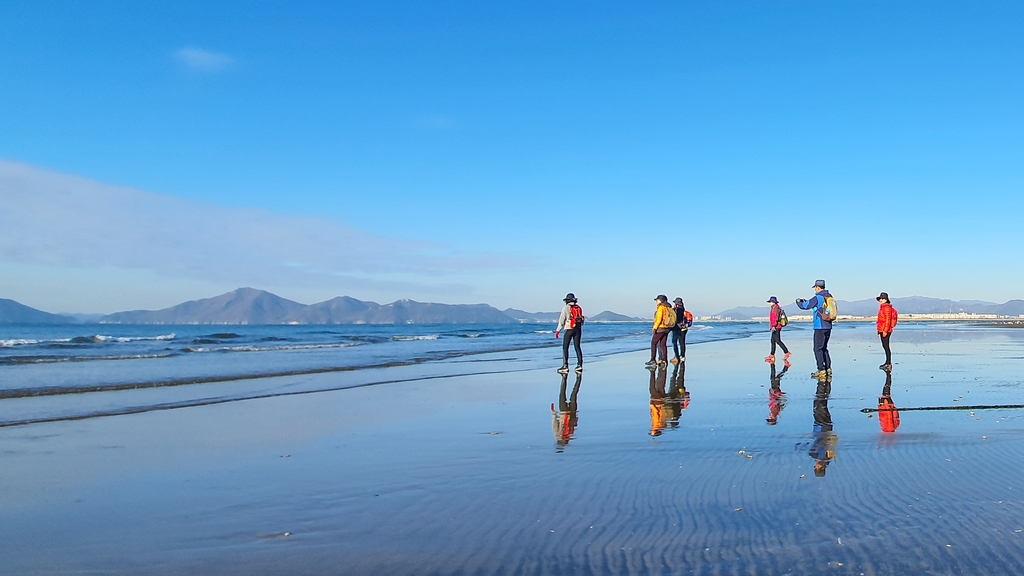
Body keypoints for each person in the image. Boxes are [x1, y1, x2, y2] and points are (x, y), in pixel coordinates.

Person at [796, 280, 835, 379]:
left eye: (815, 287)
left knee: (817, 348)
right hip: (828, 325)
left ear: (817, 287)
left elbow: (806, 306)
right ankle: (828, 368)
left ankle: (821, 370)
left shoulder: (818, 297)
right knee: (824, 348)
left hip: (820, 326)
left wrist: (799, 302)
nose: (814, 289)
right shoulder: (829, 297)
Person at [551, 371, 582, 451]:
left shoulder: (565, 435)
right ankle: (566, 378)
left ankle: (576, 378)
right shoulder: (565, 435)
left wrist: (554, 413)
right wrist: (553, 413)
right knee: (563, 393)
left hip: (568, 413)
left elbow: (555, 424)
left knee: (573, 395)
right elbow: (554, 424)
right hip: (565, 413)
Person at [554, 293, 584, 373]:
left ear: (567, 300)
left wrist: (558, 330)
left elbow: (562, 320)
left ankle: (565, 366)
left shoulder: (566, 308)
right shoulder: (579, 308)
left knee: (565, 347)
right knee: (577, 347)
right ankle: (579, 365)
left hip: (569, 329)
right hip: (578, 329)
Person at [646, 295, 674, 368]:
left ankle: (653, 360)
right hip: (667, 328)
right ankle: (664, 360)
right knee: (663, 344)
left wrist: (654, 328)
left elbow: (659, 319)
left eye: (657, 300)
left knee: (653, 343)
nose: (656, 301)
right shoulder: (668, 307)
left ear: (661, 301)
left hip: (660, 328)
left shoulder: (661, 307)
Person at [876, 292, 899, 371]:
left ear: (886, 299)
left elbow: (887, 321)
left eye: (883, 298)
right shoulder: (882, 307)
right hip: (882, 329)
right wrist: (879, 331)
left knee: (886, 346)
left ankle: (888, 363)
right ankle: (887, 362)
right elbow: (880, 320)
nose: (881, 300)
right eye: (880, 299)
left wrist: (885, 331)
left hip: (886, 330)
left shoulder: (887, 308)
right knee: (885, 346)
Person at [765, 296, 790, 363]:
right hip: (776, 326)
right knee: (773, 341)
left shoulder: (776, 309)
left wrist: (773, 326)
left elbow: (775, 318)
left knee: (778, 341)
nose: (769, 303)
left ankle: (786, 352)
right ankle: (772, 355)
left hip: (776, 327)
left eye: (770, 302)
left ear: (773, 302)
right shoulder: (774, 308)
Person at [766, 360, 789, 426]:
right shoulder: (774, 412)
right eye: (770, 419)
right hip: (775, 391)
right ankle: (785, 367)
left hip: (775, 391)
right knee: (775, 377)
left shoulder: (774, 412)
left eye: (769, 418)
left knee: (775, 377)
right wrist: (773, 393)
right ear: (774, 418)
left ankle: (779, 366)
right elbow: (776, 402)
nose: (769, 417)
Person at [670, 298, 689, 364]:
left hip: (677, 327)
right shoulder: (683, 309)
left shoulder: (677, 310)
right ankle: (682, 355)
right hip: (684, 328)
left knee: (674, 342)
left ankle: (677, 356)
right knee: (682, 342)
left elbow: (676, 319)